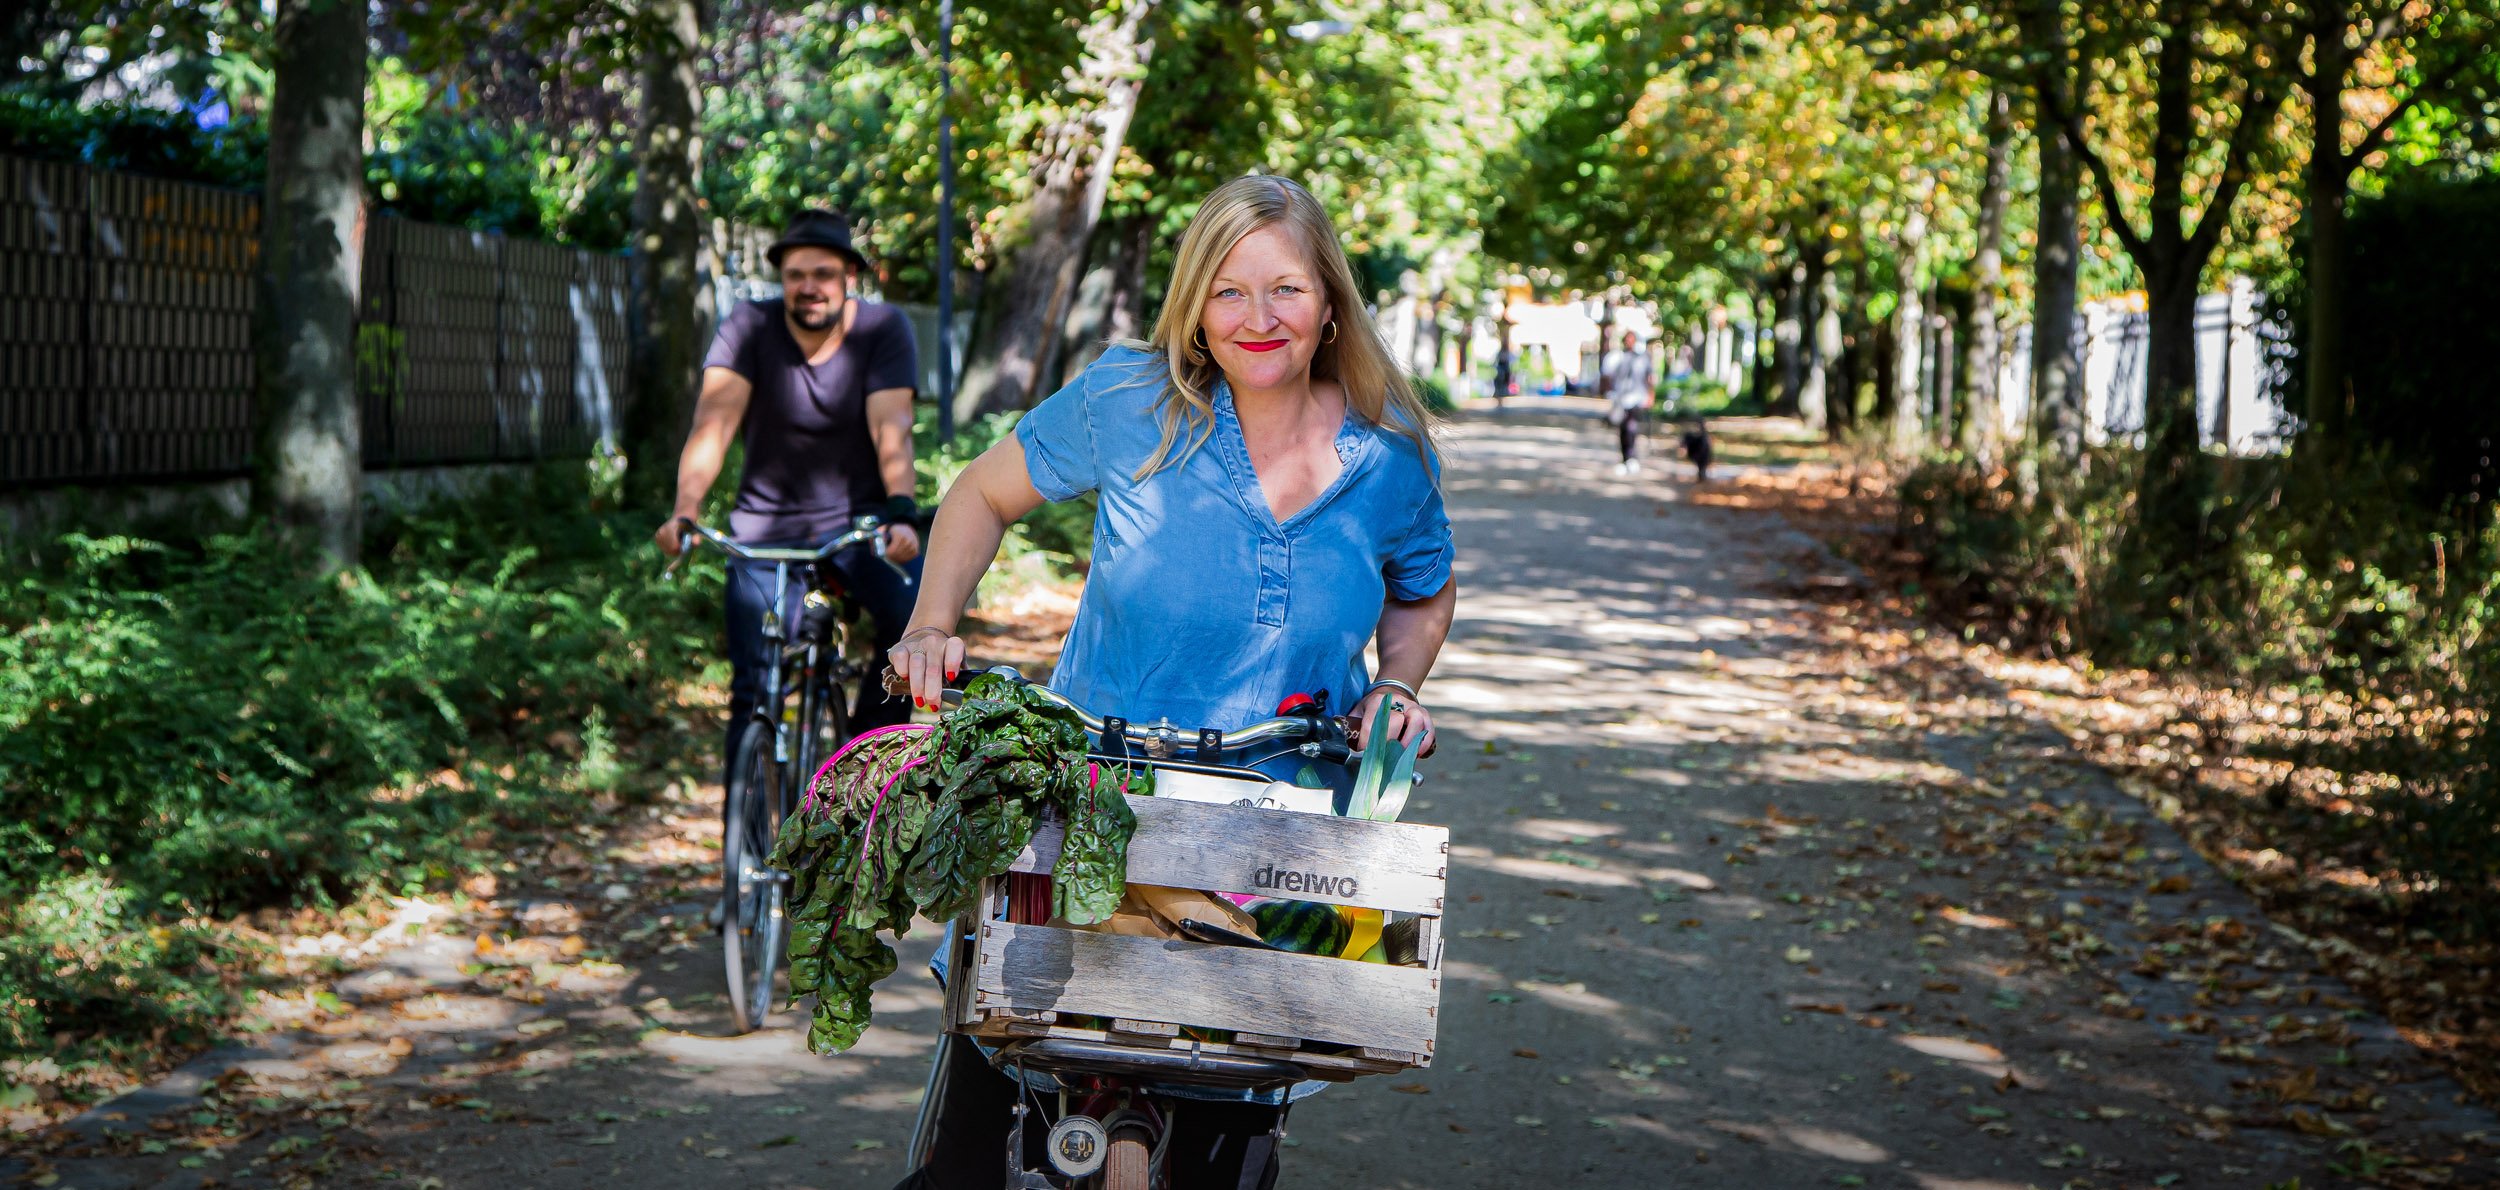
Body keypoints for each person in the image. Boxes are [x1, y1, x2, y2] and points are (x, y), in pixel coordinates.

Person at [886, 174, 1458, 1188]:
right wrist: (932, 621)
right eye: (1227, 291)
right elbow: (979, 492)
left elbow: (1423, 590)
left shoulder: (1389, 452)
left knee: (1225, 1137)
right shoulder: (1131, 399)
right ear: (1194, 306)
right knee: (984, 1123)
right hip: (1089, 797)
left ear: (1329, 300)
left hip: (1274, 837)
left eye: (1284, 288)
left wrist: (1398, 683)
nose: (1257, 317)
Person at [651, 208, 926, 784]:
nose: (809, 287)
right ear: (781, 278)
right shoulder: (750, 326)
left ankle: (863, 761)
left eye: (823, 273)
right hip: (765, 528)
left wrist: (902, 511)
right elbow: (713, 426)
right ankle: (748, 839)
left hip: (860, 523)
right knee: (754, 685)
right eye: (796, 274)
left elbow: (891, 425)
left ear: (850, 275)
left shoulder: (883, 329)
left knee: (911, 630)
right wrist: (685, 510)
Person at [1600, 329, 1654, 475]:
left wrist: (1650, 395)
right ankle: (1626, 458)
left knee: (1632, 427)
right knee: (1624, 429)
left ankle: (1632, 457)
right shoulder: (1618, 357)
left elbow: (1649, 377)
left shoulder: (1643, 358)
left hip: (1637, 397)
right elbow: (1608, 376)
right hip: (1621, 398)